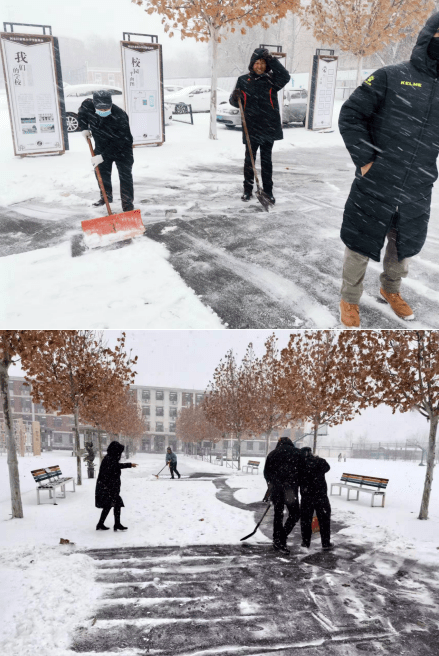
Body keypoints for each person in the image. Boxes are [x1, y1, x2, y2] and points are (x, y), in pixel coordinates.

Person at [338, 13, 439, 328]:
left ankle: (390, 289)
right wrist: (367, 161)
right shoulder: (390, 76)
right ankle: (349, 300)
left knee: (403, 245)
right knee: (360, 243)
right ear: (428, 38)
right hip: (377, 181)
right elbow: (351, 115)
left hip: (417, 187)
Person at [229, 48, 290, 204]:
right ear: (252, 64)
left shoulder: (272, 80)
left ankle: (268, 191)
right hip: (251, 126)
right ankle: (247, 190)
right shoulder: (243, 80)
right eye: (257, 62)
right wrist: (234, 97)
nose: (260, 66)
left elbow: (285, 76)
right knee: (249, 160)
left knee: (266, 161)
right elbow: (235, 102)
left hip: (268, 126)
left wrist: (271, 59)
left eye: (263, 63)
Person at [78, 89, 135, 211]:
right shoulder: (88, 105)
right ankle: (106, 197)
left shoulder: (120, 116)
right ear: (95, 105)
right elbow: (82, 112)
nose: (104, 111)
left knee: (125, 177)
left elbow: (122, 142)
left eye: (106, 109)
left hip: (122, 150)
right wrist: (84, 128)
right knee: (101, 172)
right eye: (101, 109)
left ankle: (127, 205)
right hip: (101, 145)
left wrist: (103, 156)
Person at [263, 436, 302, 555]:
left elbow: (266, 473)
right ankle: (282, 537)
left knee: (278, 515)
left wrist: (272, 483)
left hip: (276, 489)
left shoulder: (272, 454)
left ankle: (277, 539)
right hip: (290, 490)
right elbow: (303, 471)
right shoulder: (297, 453)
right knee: (295, 514)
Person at [95, 440, 137, 531]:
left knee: (109, 505)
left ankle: (102, 524)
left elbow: (116, 466)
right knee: (115, 504)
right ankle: (114, 524)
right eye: (118, 452)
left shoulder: (110, 458)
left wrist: (129, 465)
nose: (119, 454)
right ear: (115, 451)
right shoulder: (109, 459)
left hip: (109, 487)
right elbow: (115, 467)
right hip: (108, 488)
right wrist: (129, 465)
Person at [299, 447, 333, 551]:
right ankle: (326, 543)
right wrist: (316, 459)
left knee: (306, 520)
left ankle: (305, 542)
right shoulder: (319, 461)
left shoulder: (300, 464)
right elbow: (327, 467)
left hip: (306, 496)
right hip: (320, 496)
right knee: (324, 520)